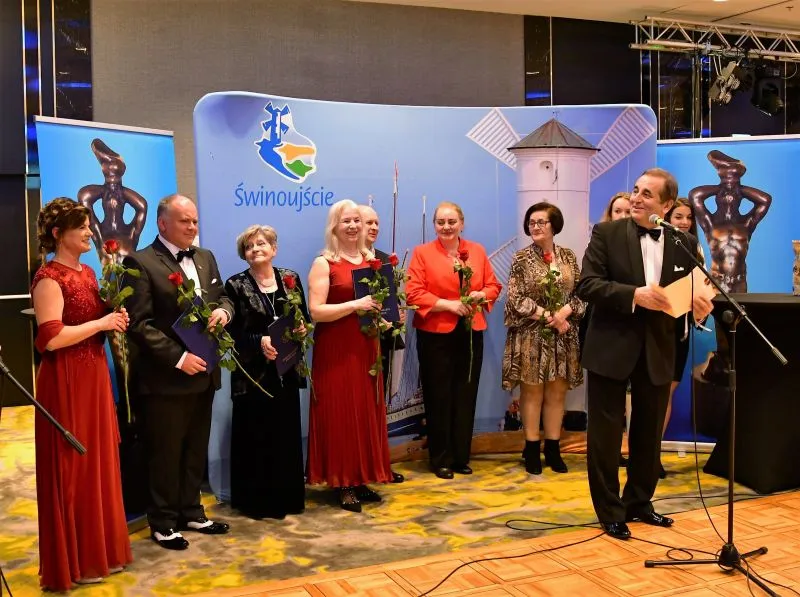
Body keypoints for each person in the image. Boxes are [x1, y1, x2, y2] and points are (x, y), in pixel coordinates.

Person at [577, 168, 713, 540]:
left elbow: (690, 291)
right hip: (611, 346)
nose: (636, 198)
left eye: (647, 194)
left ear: (666, 206)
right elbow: (587, 285)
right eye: (636, 190)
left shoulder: (683, 242)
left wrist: (699, 304)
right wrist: (634, 295)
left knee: (649, 431)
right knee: (605, 435)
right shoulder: (606, 233)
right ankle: (609, 511)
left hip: (658, 346)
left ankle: (639, 502)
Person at [31, 197, 132, 590]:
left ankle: (99, 552)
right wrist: (101, 324)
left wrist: (113, 318)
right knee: (72, 467)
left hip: (93, 376)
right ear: (60, 234)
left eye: (89, 226)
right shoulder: (48, 278)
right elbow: (51, 338)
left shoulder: (88, 272)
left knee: (98, 463)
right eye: (82, 227)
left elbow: (91, 322)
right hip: (66, 381)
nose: (91, 232)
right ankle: (75, 561)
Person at [123, 194, 233, 549]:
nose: (192, 227)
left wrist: (225, 312)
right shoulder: (139, 262)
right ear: (162, 223)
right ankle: (163, 521)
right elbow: (138, 324)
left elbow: (222, 296)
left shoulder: (206, 257)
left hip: (205, 372)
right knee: (166, 453)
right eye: (185, 221)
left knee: (195, 448)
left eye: (195, 221)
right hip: (166, 378)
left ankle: (192, 512)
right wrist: (178, 358)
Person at [306, 199, 393, 512]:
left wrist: (386, 317)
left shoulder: (374, 262)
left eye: (357, 220)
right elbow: (316, 311)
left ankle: (360, 478)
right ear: (335, 226)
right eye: (347, 221)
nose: (354, 226)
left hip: (367, 347)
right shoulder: (324, 263)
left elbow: (381, 304)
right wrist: (355, 305)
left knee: (364, 412)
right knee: (341, 414)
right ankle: (342, 482)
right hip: (336, 349)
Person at [406, 201, 502, 479]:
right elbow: (413, 292)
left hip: (471, 330)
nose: (446, 227)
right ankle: (441, 459)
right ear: (434, 225)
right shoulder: (422, 253)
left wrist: (480, 295)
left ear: (462, 223)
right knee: (438, 396)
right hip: (434, 334)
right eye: (441, 222)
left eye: (451, 222)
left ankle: (461, 456)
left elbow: (493, 286)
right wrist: (448, 305)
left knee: (465, 394)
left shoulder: (477, 251)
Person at [224, 225, 308, 519]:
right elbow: (231, 334)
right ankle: (257, 503)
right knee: (256, 437)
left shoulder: (291, 279)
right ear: (244, 254)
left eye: (261, 244)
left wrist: (301, 329)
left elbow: (304, 317)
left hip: (286, 370)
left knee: (285, 435)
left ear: (274, 249)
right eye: (249, 247)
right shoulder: (235, 285)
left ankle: (287, 498)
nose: (255, 249)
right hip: (253, 376)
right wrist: (259, 342)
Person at [502, 202, 584, 475]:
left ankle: (553, 448)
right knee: (533, 392)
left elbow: (581, 293)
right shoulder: (521, 259)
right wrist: (549, 316)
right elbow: (515, 299)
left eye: (541, 222)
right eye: (531, 223)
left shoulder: (569, 257)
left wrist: (565, 313)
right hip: (531, 335)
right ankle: (531, 448)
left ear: (554, 225)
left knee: (557, 393)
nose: (535, 227)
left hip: (563, 337)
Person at [580, 192, 633, 469]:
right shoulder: (602, 241)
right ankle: (608, 456)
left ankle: (629, 449)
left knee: (633, 403)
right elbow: (588, 285)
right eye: (618, 211)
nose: (623, 216)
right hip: (608, 334)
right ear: (609, 215)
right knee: (606, 408)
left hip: (640, 339)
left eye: (628, 211)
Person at [358, 204, 407, 483]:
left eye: (376, 222)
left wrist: (398, 315)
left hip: (384, 341)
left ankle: (379, 464)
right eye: (368, 222)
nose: (374, 227)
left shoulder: (386, 260)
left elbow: (392, 300)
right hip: (356, 343)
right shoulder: (342, 260)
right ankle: (359, 466)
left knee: (379, 406)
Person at [659, 198, 705, 478]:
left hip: (680, 329)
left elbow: (700, 288)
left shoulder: (693, 248)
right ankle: (636, 451)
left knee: (668, 391)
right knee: (650, 393)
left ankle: (653, 453)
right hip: (653, 328)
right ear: (667, 217)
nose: (685, 222)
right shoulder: (655, 247)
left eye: (689, 217)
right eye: (679, 216)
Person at [689, 150, 771, 293]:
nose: (729, 195)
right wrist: (722, 186)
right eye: (724, 194)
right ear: (716, 198)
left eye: (734, 194)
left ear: (741, 198)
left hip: (740, 283)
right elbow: (694, 195)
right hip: (717, 283)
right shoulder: (710, 223)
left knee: (741, 309)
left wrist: (736, 187)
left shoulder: (746, 223)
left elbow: (765, 200)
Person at [78, 138, 148, 266]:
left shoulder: (131, 234)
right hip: (106, 236)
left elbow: (142, 205)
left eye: (115, 176)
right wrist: (108, 189)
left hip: (125, 245)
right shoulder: (98, 234)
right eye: (109, 175)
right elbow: (84, 196)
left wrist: (118, 190)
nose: (113, 199)